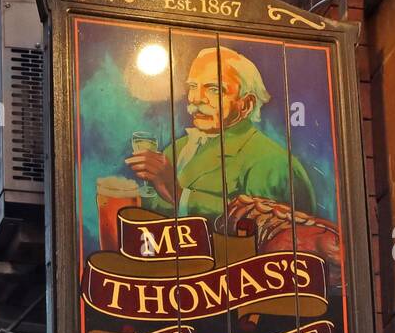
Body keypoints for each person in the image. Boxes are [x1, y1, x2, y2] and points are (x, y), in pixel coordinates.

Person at [125, 46, 316, 223]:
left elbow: (262, 229)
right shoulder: (179, 147)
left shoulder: (271, 163)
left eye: (215, 89)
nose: (196, 98)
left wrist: (178, 193)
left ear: (246, 104)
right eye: (192, 86)